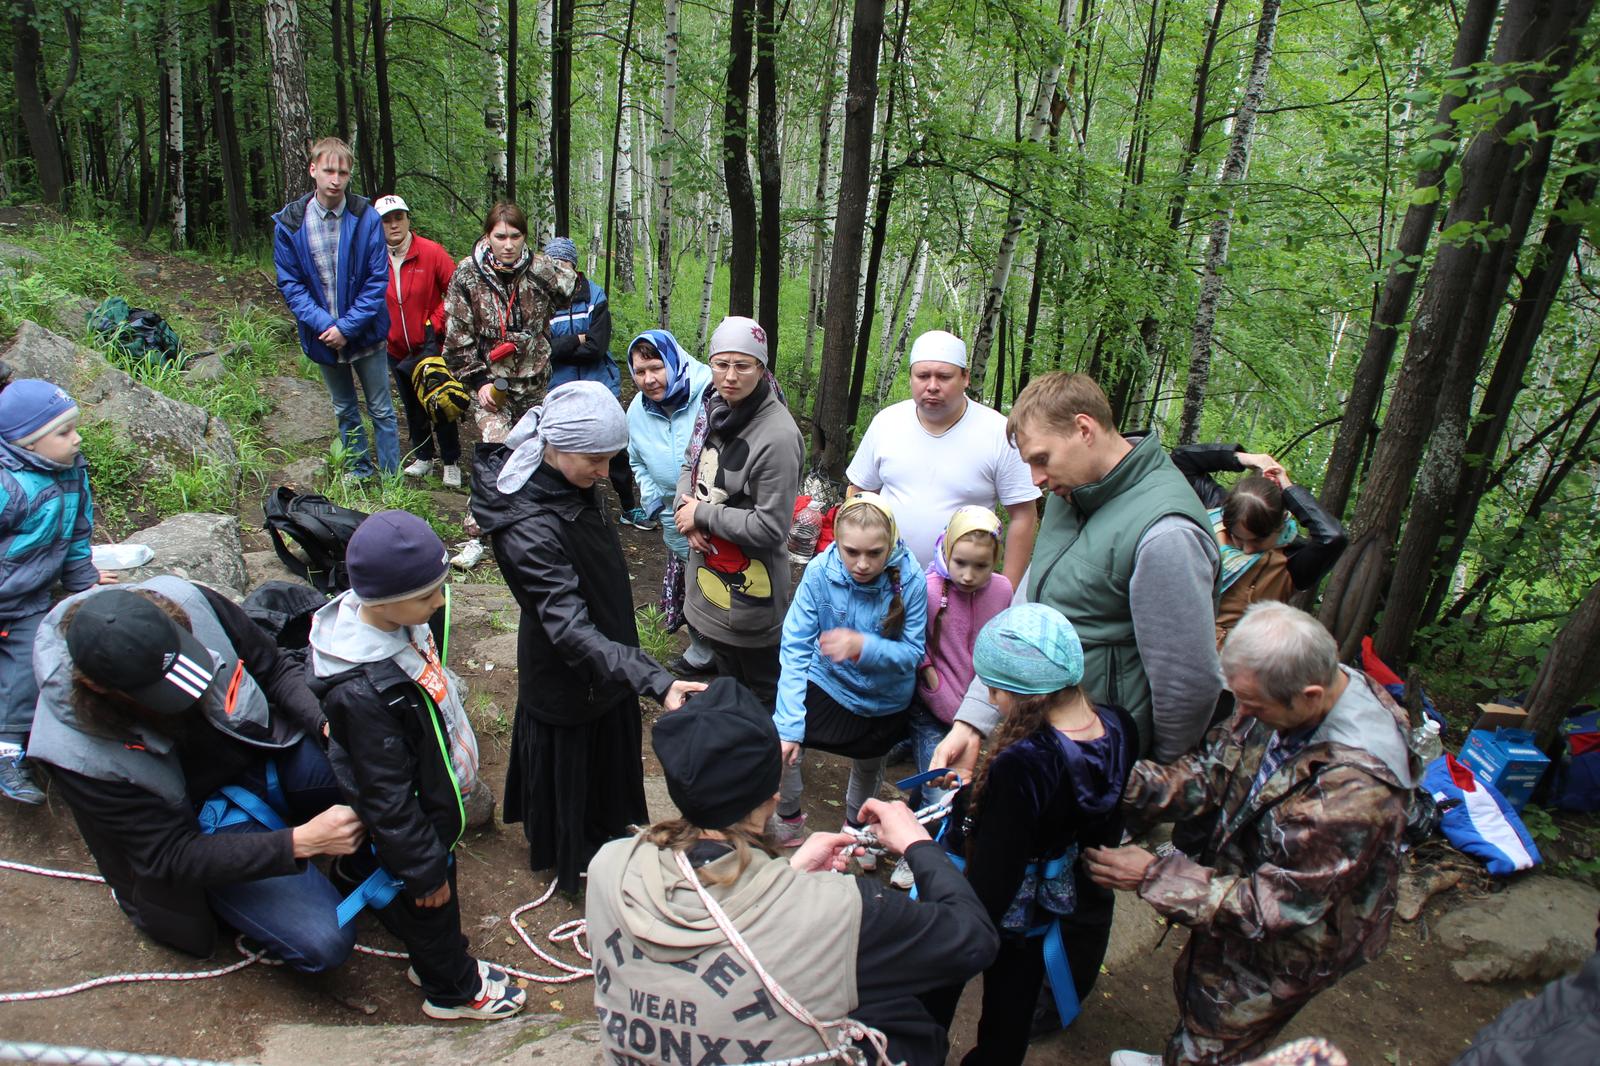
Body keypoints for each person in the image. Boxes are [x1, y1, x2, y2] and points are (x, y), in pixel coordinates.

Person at [585, 676, 998, 1065]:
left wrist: (787, 874)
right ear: (772, 794)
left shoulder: (611, 864)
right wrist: (917, 843)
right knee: (909, 1018)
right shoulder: (838, 910)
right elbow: (973, 938)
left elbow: (717, 909)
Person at [1085, 602, 1416, 1066]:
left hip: (1294, 941)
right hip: (1241, 878)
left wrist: (1154, 875)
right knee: (1204, 994)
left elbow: (1274, 907)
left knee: (1225, 1026)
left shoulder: (1355, 792)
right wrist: (1122, 780)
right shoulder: (1283, 685)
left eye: (1253, 705)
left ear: (1309, 695)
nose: (1241, 713)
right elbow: (1217, 770)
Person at [28, 577, 363, 969]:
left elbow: (272, 667)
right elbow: (170, 855)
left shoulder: (192, 601)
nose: (189, 694)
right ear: (99, 690)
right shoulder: (76, 753)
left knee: (382, 769)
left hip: (263, 757)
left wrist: (327, 725)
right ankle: (251, 884)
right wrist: (299, 843)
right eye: (163, 693)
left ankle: (331, 860)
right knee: (325, 940)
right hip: (198, 828)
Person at [469, 381, 707, 893]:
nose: (605, 473)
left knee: (607, 767)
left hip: (609, 658)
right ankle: (576, 865)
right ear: (554, 446)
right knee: (574, 770)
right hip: (569, 668)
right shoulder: (527, 523)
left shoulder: (568, 480)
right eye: (596, 461)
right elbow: (568, 628)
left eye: (611, 458)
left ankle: (605, 843)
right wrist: (653, 678)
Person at [933, 373, 1223, 779]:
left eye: (1041, 459)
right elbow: (1023, 614)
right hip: (1045, 750)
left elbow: (1188, 685)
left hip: (1103, 764)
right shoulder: (1072, 493)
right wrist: (974, 718)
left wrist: (1146, 785)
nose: (1036, 479)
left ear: (1084, 429)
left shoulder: (1166, 534)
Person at [308, 510, 523, 1020]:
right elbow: (385, 794)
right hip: (416, 821)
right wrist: (424, 871)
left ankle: (431, 962)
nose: (440, 603)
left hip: (429, 801)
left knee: (430, 903)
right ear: (383, 602)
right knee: (434, 902)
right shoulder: (363, 691)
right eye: (428, 596)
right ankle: (452, 990)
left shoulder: (403, 624)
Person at [923, 603, 1137, 1065]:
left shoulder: (1025, 764)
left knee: (935, 989)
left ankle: (918, 1050)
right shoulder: (1121, 726)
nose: (993, 701)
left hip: (990, 901)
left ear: (1017, 690)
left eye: (995, 691)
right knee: (1012, 1003)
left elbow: (991, 884)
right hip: (1045, 900)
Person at [771, 493, 928, 862]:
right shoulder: (820, 572)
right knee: (785, 745)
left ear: (890, 543)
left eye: (874, 553)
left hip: (883, 696)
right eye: (850, 551)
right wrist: (789, 724)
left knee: (870, 763)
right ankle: (789, 817)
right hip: (828, 680)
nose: (861, 564)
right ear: (836, 541)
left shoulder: (911, 580)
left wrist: (863, 647)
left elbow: (912, 655)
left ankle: (855, 829)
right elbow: (794, 645)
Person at [672, 316, 803, 707]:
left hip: (749, 602)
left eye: (743, 365)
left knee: (761, 692)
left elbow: (770, 527)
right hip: (707, 581)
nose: (730, 376)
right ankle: (733, 749)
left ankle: (770, 761)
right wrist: (685, 509)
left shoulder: (776, 437)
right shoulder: (714, 406)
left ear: (762, 369)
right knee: (727, 683)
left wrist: (703, 516)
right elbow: (690, 464)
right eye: (721, 363)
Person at [846, 329, 1040, 590]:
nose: (932, 386)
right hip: (884, 581)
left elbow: (1023, 517)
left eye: (944, 376)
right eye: (923, 376)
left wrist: (1007, 591)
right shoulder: (887, 423)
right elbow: (859, 494)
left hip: (962, 588)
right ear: (911, 377)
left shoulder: (999, 432)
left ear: (965, 377)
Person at [0, 380, 106, 804]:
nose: (76, 438)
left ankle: (7, 750)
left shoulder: (72, 473)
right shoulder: (9, 485)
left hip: (29, 601)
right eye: (63, 433)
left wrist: (83, 582)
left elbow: (78, 533)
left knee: (30, 667)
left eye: (75, 428)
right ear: (26, 442)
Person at [272, 137, 398, 480]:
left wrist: (348, 327)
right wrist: (326, 325)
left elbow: (376, 279)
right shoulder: (291, 223)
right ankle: (358, 471)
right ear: (313, 170)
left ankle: (391, 478)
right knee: (344, 407)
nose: (335, 179)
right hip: (322, 334)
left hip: (366, 333)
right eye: (329, 170)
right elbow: (291, 284)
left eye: (342, 172)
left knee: (382, 410)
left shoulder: (366, 217)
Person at [1171, 443, 1347, 646]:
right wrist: (1249, 459)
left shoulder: (1291, 562)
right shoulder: (1216, 512)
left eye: (1258, 540)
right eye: (1237, 537)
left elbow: (1333, 537)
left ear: (1279, 526)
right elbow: (1180, 462)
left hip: (1234, 664)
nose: (1247, 549)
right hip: (1174, 636)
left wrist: (1287, 488)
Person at [442, 202, 576, 444]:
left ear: (524, 236)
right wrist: (479, 383)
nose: (508, 245)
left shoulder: (541, 268)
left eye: (516, 236)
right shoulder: (467, 274)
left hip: (534, 384)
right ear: (488, 236)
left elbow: (568, 290)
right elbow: (456, 338)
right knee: (500, 448)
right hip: (491, 385)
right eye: (500, 236)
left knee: (535, 452)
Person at [624, 329, 716, 674]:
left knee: (725, 580)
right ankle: (702, 650)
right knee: (689, 581)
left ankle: (735, 654)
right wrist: (654, 501)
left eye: (655, 367)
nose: (648, 379)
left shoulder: (709, 391)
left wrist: (702, 512)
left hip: (715, 510)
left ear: (673, 362)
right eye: (640, 371)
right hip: (670, 513)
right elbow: (634, 459)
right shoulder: (637, 410)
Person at [541, 236, 643, 525]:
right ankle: (566, 505)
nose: (557, 271)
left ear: (574, 266)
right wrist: (577, 339)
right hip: (559, 387)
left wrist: (563, 346)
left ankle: (628, 506)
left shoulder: (595, 296)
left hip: (599, 384)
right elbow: (542, 350)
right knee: (563, 445)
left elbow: (597, 348)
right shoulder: (540, 300)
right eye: (552, 265)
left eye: (562, 265)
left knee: (614, 443)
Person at [374, 194, 463, 487]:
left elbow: (455, 293)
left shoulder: (431, 252)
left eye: (398, 217)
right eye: (387, 220)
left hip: (430, 346)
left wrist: (432, 324)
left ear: (408, 219)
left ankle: (451, 461)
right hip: (396, 347)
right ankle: (424, 456)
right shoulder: (374, 256)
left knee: (440, 402)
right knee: (411, 405)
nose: (394, 225)